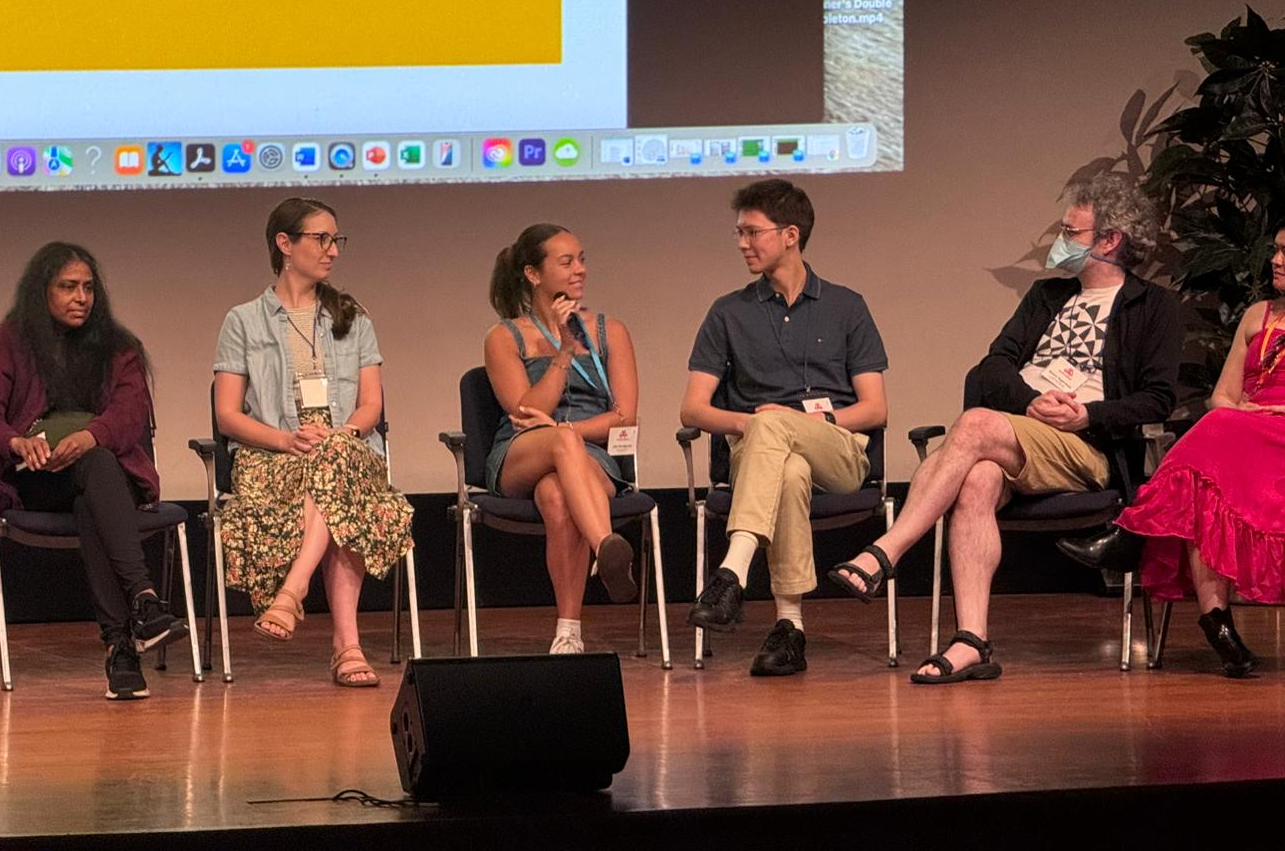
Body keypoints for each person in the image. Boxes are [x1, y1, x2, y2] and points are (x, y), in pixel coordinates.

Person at [831, 173, 1179, 682]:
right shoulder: (1046, 296)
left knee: (974, 423)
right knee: (976, 479)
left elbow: (1159, 398)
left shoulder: (1153, 306)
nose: (1061, 240)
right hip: (1018, 431)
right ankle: (972, 642)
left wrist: (1087, 414)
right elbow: (992, 367)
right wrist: (1031, 402)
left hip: (1084, 444)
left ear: (1110, 241)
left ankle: (886, 551)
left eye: (1072, 232)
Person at [0, 242, 187, 701]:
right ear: (42, 291)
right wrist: (15, 441)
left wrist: (90, 437)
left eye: (87, 288)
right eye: (68, 287)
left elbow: (131, 415)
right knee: (94, 483)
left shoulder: (119, 347)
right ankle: (143, 601)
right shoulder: (10, 341)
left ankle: (120, 647)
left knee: (93, 486)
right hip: (38, 480)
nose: (81, 298)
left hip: (105, 477)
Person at [1060, 221, 1285, 679]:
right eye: (1277, 249)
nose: (1276, 260)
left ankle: (1132, 535)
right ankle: (1218, 625)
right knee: (1203, 485)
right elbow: (1221, 397)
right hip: (1244, 435)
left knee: (1212, 443)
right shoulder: (1257, 315)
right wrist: (1242, 413)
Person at [682, 180, 889, 677]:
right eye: (739, 233)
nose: (742, 243)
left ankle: (733, 570)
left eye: (752, 232)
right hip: (759, 454)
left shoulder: (846, 306)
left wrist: (801, 421)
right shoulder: (728, 312)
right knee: (789, 469)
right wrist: (753, 425)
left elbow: (875, 409)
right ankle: (789, 628)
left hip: (838, 450)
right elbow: (693, 410)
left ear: (790, 235)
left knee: (778, 426)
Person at [213, 198, 413, 688]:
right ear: (285, 244)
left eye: (335, 240)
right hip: (273, 456)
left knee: (336, 462)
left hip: (345, 447)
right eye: (321, 239)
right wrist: (286, 439)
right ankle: (346, 645)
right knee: (338, 487)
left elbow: (370, 405)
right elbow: (227, 415)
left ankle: (293, 591)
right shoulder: (243, 321)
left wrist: (343, 435)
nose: (333, 251)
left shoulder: (353, 317)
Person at [484, 224, 642, 654]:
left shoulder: (611, 331)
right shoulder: (505, 336)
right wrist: (566, 352)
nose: (580, 270)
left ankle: (568, 632)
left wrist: (566, 431)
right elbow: (523, 412)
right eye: (567, 262)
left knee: (556, 494)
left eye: (582, 260)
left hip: (592, 457)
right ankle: (605, 545)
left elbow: (625, 418)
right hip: (522, 452)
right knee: (560, 444)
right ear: (533, 274)